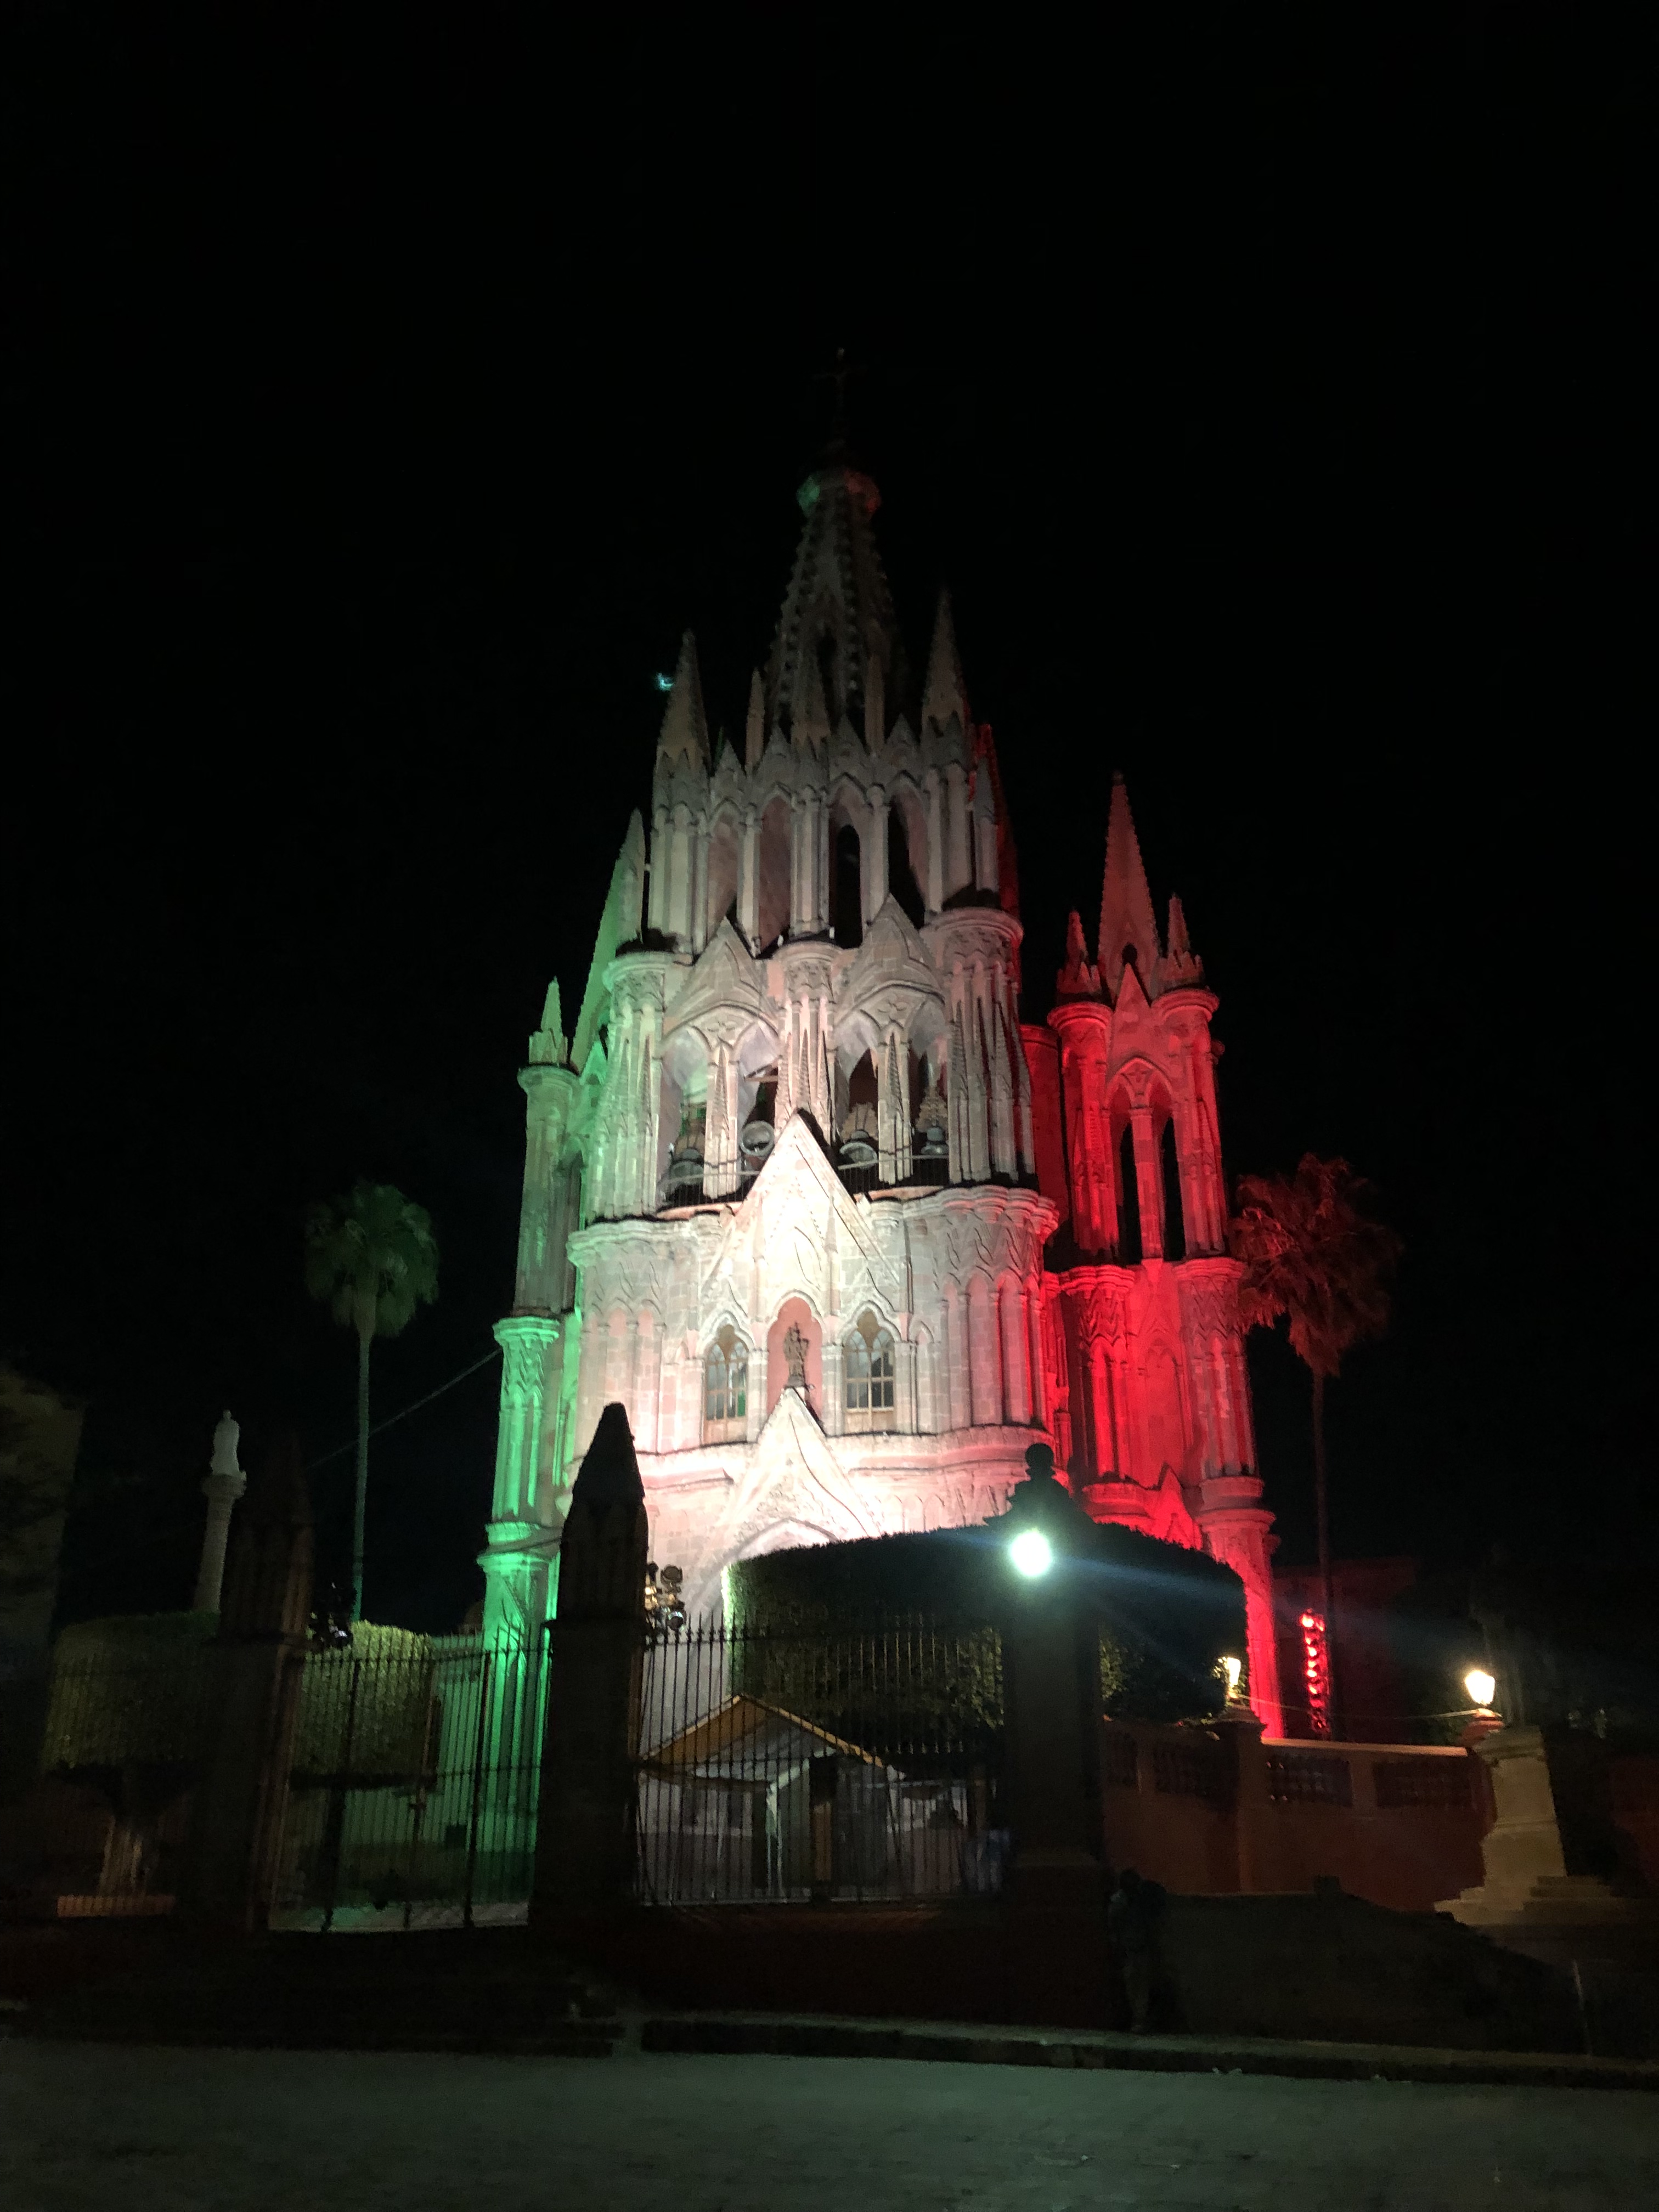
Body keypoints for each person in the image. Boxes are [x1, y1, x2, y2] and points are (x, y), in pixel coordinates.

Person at [1107, 1865, 1166, 2032]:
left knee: (1139, 1985)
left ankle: (1140, 2018)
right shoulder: (1122, 1903)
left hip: (1138, 1947)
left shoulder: (1131, 1901)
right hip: (1132, 1949)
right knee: (1136, 1986)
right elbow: (1115, 1928)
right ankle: (1139, 2018)